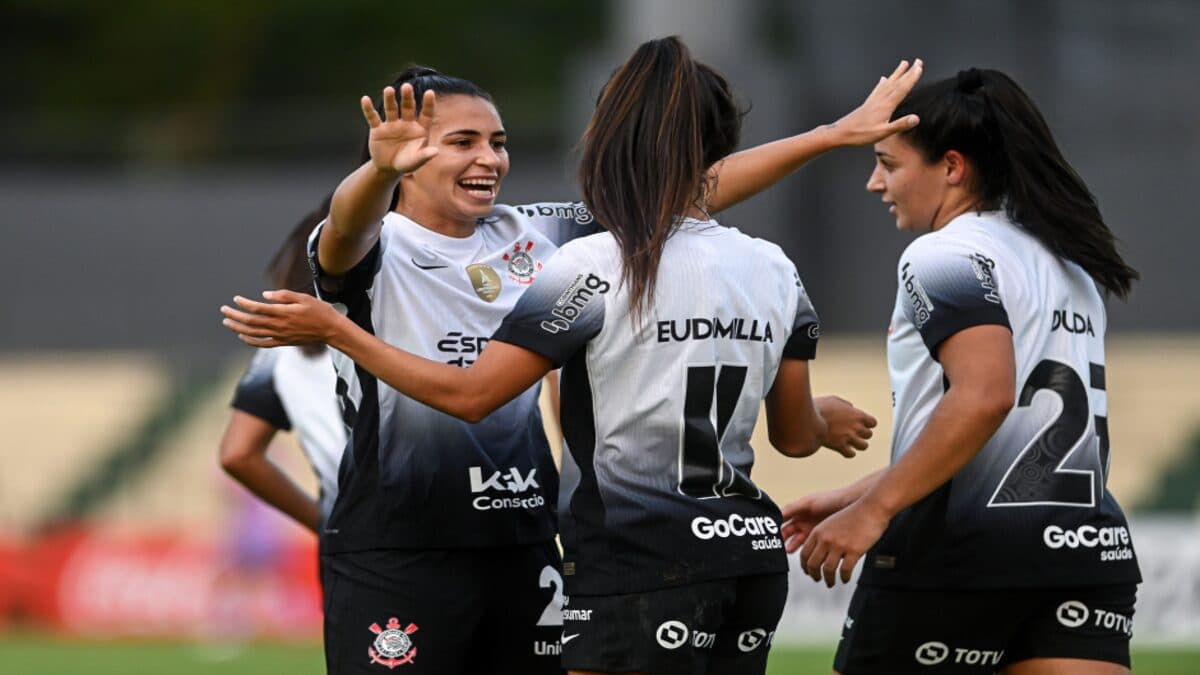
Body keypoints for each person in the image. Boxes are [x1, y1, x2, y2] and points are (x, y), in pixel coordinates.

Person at [221, 38, 923, 675]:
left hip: (526, 541)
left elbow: (685, 195)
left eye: (497, 141)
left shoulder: (542, 235)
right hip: (403, 545)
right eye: (462, 141)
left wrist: (829, 136)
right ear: (407, 154)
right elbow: (342, 227)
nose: (489, 158)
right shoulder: (375, 245)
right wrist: (374, 173)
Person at [781, 68, 1142, 675]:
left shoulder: (945, 255)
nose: (874, 184)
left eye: (888, 165)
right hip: (1086, 549)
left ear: (952, 167)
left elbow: (984, 398)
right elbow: (1019, 447)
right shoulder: (1072, 269)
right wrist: (864, 491)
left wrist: (877, 510)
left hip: (962, 553)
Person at [220, 195, 346, 534]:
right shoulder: (396, 328)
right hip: (423, 542)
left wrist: (326, 524)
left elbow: (237, 453)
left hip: (348, 547)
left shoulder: (278, 353)